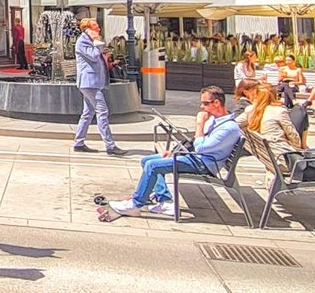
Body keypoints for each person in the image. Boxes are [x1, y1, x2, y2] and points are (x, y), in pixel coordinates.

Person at [103, 86, 242, 219]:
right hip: (195, 157)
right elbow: (195, 142)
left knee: (153, 166)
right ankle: (165, 201)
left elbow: (200, 148)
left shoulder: (228, 128)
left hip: (203, 163)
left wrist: (199, 124)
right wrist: (175, 151)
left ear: (216, 103)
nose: (202, 107)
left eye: (205, 103)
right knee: (146, 160)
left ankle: (135, 204)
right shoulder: (217, 120)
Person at [241, 81, 315, 223]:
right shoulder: (278, 111)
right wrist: (296, 146)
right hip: (292, 166)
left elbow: (236, 123)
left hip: (276, 163)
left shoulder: (251, 111)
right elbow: (295, 138)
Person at [72, 19, 126, 156]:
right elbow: (94, 56)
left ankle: (78, 143)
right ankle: (110, 146)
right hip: (89, 83)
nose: (98, 30)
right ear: (88, 29)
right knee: (102, 111)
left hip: (93, 82)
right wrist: (98, 43)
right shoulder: (83, 41)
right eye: (96, 28)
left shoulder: (88, 40)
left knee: (88, 113)